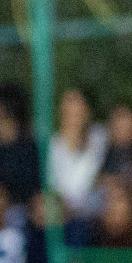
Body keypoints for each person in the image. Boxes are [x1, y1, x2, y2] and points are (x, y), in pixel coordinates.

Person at [49, 88, 107, 223]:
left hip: (92, 210)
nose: (74, 114)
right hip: (62, 212)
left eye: (78, 109)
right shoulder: (54, 145)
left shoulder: (99, 137)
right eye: (69, 110)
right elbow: (53, 184)